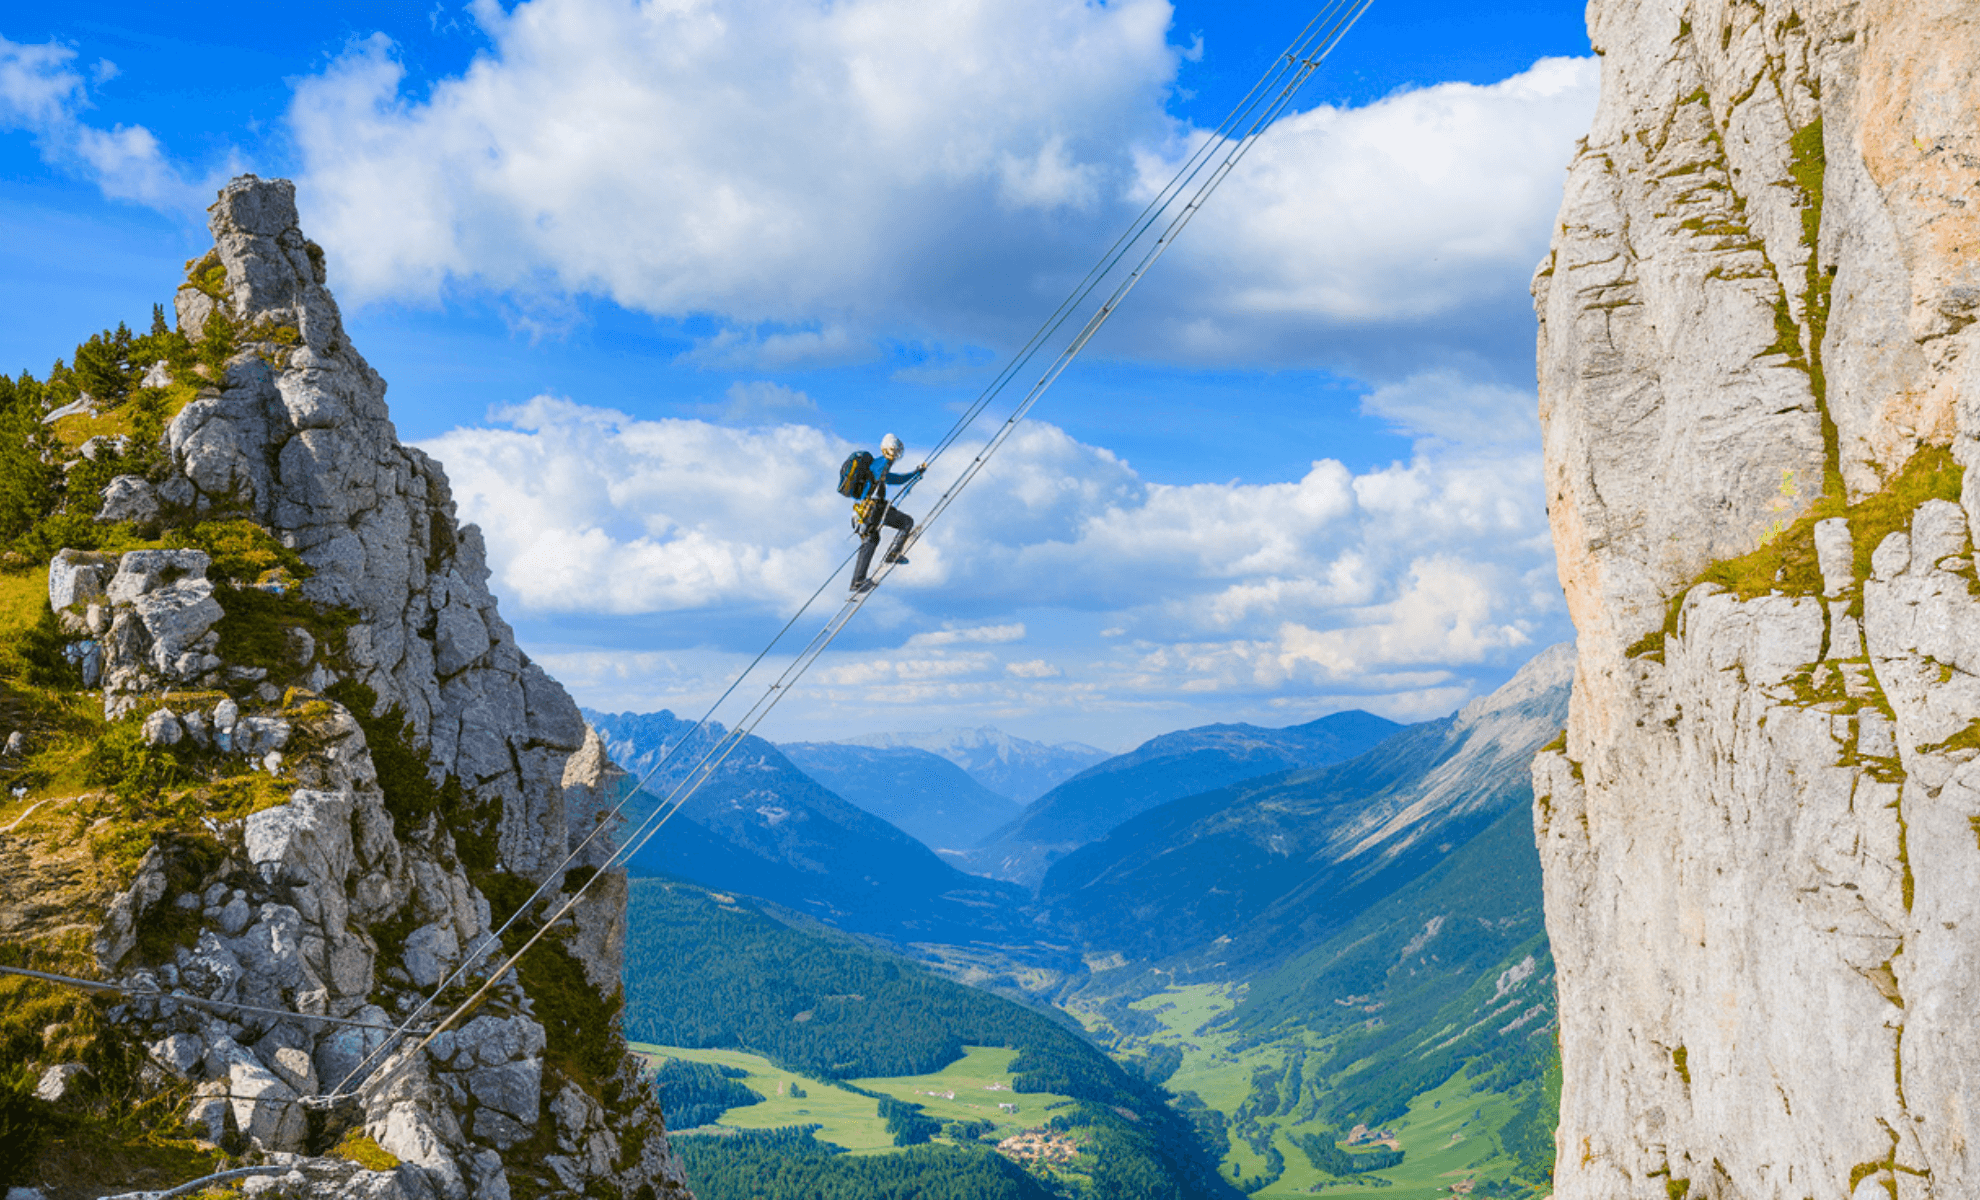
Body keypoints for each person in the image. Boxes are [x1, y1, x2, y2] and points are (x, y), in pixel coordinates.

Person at [849, 433, 924, 594]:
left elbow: (889, 480)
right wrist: (915, 474)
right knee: (906, 522)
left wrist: (914, 474)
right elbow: (895, 479)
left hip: (864, 510)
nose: (895, 454)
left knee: (871, 541)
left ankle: (858, 581)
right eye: (894, 450)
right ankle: (893, 554)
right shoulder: (882, 464)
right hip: (873, 509)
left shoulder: (878, 463)